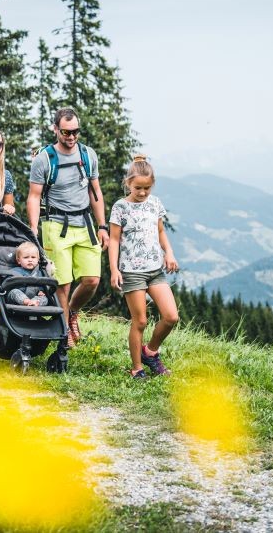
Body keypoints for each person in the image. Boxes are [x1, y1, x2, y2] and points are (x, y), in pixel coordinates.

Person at [27, 106, 107, 348]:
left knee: (92, 279)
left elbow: (96, 192)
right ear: (55, 129)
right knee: (62, 282)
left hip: (84, 223)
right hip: (56, 225)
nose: (71, 137)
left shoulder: (87, 155)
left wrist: (102, 225)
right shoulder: (44, 159)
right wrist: (33, 228)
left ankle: (71, 313)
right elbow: (34, 196)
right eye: (66, 132)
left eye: (75, 132)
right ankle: (64, 333)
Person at [108, 154, 180, 380]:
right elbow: (114, 240)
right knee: (140, 321)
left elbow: (160, 231)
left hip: (155, 270)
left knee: (171, 316)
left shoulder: (155, 203)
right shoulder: (120, 207)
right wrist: (114, 270)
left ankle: (150, 352)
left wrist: (169, 253)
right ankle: (137, 368)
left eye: (147, 188)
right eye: (138, 188)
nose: (142, 193)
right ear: (128, 183)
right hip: (131, 271)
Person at [6, 241, 50, 307]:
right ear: (18, 260)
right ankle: (27, 302)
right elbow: (7, 284)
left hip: (34, 297)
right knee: (14, 292)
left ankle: (34, 303)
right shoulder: (14, 271)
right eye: (26, 257)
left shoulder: (40, 273)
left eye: (33, 257)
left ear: (38, 259)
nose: (30, 260)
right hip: (19, 296)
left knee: (45, 298)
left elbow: (43, 287)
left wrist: (41, 291)